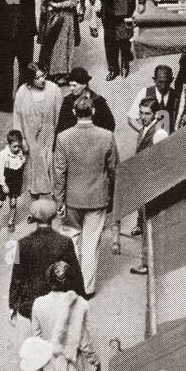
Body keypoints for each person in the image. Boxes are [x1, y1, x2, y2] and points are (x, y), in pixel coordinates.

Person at [52, 97, 119, 297]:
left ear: (74, 112)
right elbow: (114, 168)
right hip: (98, 198)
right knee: (91, 244)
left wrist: (59, 200)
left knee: (72, 239)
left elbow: (59, 173)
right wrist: (111, 194)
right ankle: (87, 288)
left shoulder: (63, 138)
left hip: (72, 199)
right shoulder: (106, 136)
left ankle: (70, 283)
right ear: (94, 111)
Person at [9, 197, 85, 321]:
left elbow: (17, 277)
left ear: (33, 218)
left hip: (32, 301)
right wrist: (80, 297)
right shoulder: (65, 242)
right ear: (54, 217)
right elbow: (74, 272)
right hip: (58, 299)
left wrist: (12, 305)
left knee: (38, 332)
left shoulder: (22, 244)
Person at [31, 261, 102, 371]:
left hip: (50, 365)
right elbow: (84, 343)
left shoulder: (38, 303)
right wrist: (94, 360)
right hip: (72, 367)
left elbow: (36, 337)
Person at [129, 102, 171, 277]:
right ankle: (147, 261)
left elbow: (162, 160)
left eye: (146, 113)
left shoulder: (159, 133)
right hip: (143, 182)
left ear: (155, 115)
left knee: (149, 226)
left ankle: (148, 263)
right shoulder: (144, 130)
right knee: (146, 225)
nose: (142, 117)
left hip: (151, 183)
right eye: (141, 113)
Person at [13, 63, 63, 199]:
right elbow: (17, 119)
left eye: (43, 76)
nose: (42, 80)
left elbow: (60, 116)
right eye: (37, 78)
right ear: (30, 79)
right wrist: (21, 140)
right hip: (31, 140)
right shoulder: (22, 92)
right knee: (34, 171)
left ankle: (53, 202)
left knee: (51, 168)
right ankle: (35, 205)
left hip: (49, 137)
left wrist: (59, 139)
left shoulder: (54, 90)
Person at [56, 66, 115, 136]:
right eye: (70, 85)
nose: (71, 88)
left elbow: (110, 125)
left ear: (84, 85)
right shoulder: (68, 101)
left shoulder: (98, 101)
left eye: (74, 85)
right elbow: (61, 126)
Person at [0, 128, 28, 232]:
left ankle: (11, 222)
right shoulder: (3, 156)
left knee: (13, 202)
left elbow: (22, 165)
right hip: (4, 181)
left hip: (15, 181)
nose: (17, 149)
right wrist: (3, 184)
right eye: (14, 146)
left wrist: (22, 158)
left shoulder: (20, 153)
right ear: (8, 143)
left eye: (19, 146)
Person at [128, 63, 181, 134]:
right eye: (160, 82)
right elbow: (131, 118)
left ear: (171, 80)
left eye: (167, 82)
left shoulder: (176, 96)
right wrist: (144, 133)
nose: (164, 86)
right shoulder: (144, 93)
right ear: (154, 80)